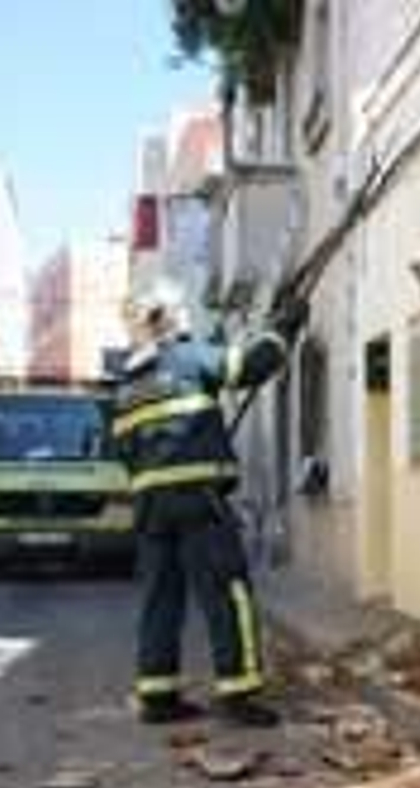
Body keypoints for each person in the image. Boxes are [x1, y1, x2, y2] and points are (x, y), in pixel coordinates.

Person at [113, 279, 305, 727]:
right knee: (227, 592)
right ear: (171, 318)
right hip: (199, 502)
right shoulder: (188, 357)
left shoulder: (127, 385)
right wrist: (285, 329)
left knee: (161, 598)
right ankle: (239, 695)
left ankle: (157, 697)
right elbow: (249, 366)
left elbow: (122, 449)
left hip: (151, 509)